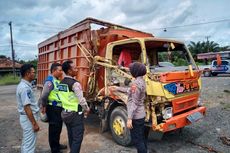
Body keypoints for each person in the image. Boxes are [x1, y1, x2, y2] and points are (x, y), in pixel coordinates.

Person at [112, 62, 148, 153]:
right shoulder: (141, 81)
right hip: (141, 114)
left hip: (136, 116)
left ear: (135, 72)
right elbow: (130, 91)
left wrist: (129, 118)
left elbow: (134, 103)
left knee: (137, 140)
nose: (130, 71)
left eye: (131, 70)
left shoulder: (136, 83)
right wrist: (117, 88)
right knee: (141, 137)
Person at [59, 60, 90, 153]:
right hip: (75, 114)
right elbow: (81, 100)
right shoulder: (75, 84)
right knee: (77, 138)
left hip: (65, 113)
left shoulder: (61, 83)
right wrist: (87, 109)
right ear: (69, 71)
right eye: (75, 68)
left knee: (71, 135)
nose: (77, 70)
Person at [38, 63, 67, 153]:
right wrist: (43, 106)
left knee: (58, 128)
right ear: (54, 71)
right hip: (53, 108)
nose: (62, 72)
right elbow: (44, 95)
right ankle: (54, 149)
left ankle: (57, 144)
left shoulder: (56, 80)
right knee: (54, 129)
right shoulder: (50, 81)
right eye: (60, 70)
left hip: (58, 108)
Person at [16, 64, 40, 153]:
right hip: (28, 119)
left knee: (27, 142)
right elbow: (27, 107)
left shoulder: (25, 85)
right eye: (33, 72)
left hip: (26, 118)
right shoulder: (24, 88)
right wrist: (34, 123)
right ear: (27, 73)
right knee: (29, 145)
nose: (35, 74)